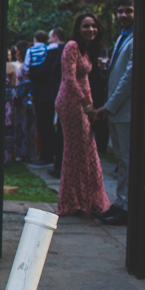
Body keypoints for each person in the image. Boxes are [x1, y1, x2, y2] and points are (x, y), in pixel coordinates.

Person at [55, 13, 110, 216]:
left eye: (93, 26)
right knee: (75, 153)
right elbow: (69, 79)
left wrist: (91, 106)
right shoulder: (71, 46)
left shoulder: (86, 50)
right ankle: (70, 202)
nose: (90, 30)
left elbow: (85, 82)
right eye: (86, 26)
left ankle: (85, 200)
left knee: (86, 152)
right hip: (71, 104)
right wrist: (86, 104)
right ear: (78, 28)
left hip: (82, 104)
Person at [94, 0, 135, 225]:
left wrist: (109, 106)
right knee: (120, 159)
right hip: (115, 111)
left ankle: (127, 207)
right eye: (120, 11)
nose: (123, 15)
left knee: (127, 160)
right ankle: (119, 203)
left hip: (124, 110)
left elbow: (129, 78)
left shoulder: (137, 38)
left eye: (128, 10)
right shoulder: (122, 37)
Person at [30, 27, 65, 166]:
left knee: (45, 125)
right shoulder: (64, 50)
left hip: (46, 94)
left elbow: (46, 70)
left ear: (55, 37)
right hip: (56, 92)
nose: (49, 41)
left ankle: (47, 155)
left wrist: (31, 74)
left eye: (50, 37)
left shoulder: (54, 51)